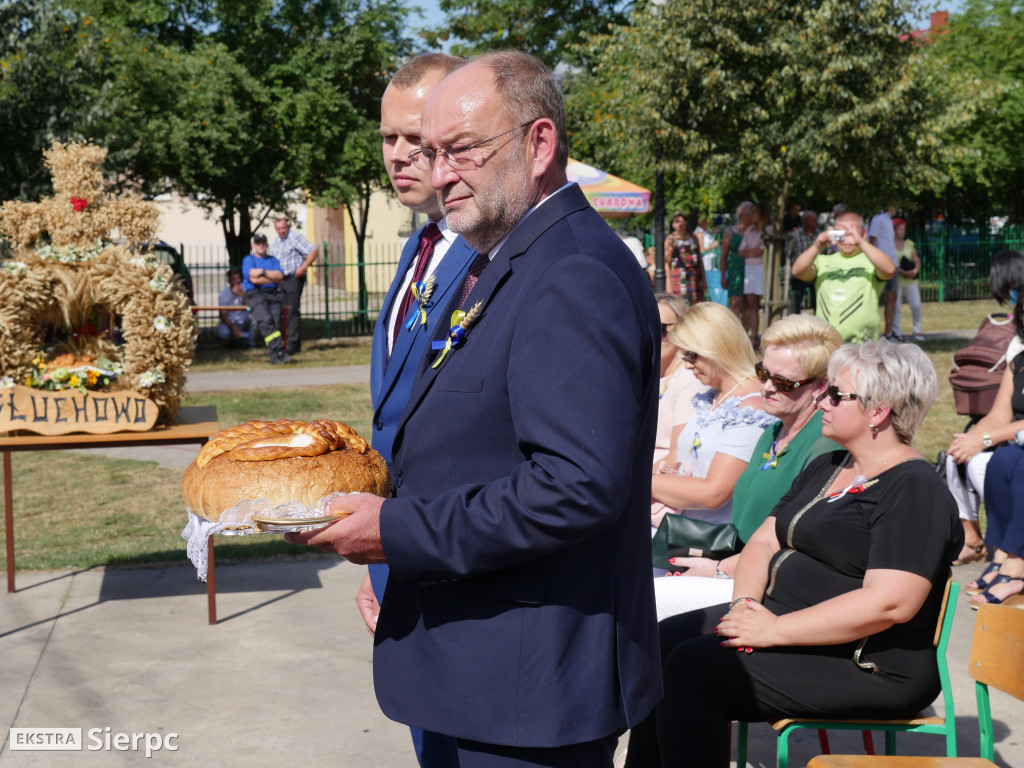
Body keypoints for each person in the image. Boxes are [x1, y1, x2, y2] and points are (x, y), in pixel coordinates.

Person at [287, 50, 662, 767]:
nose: (440, 172)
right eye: (432, 152)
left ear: (540, 143)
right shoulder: (520, 254)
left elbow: (574, 487)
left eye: (462, 150)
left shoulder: (572, 271)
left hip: (528, 681)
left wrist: (395, 532)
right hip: (486, 663)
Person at [625, 340, 962, 767]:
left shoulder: (913, 490)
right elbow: (765, 541)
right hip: (787, 623)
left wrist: (774, 631)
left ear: (878, 412)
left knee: (694, 670)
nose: (824, 400)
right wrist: (744, 605)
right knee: (660, 642)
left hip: (867, 662)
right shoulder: (832, 464)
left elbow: (890, 602)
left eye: (837, 395)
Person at [355, 52, 474, 768]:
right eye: (388, 139)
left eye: (417, 140)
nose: (400, 156)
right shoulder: (419, 244)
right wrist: (379, 568)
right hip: (402, 552)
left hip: (458, 553)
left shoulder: (491, 255)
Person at [653, 314, 841, 620]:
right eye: (762, 372)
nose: (766, 386)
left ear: (821, 385)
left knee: (651, 602)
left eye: (782, 382)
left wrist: (718, 569)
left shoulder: (823, 443)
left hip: (771, 586)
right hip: (735, 566)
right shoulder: (773, 429)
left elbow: (793, 541)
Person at [650, 302, 775, 532]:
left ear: (717, 347)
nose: (686, 365)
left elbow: (713, 493)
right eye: (683, 355)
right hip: (682, 529)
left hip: (713, 540)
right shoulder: (712, 396)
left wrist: (642, 484)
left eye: (692, 355)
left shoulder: (752, 407)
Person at [946, 250, 1024, 568]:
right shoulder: (1017, 350)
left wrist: (988, 439)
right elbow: (998, 412)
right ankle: (974, 540)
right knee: (958, 455)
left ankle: (1008, 553)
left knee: (989, 463)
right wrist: (975, 436)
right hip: (1013, 436)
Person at [792, 211, 896, 342]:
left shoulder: (871, 262)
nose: (847, 239)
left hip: (863, 347)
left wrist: (861, 242)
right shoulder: (823, 261)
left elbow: (889, 269)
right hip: (827, 345)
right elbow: (797, 271)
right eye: (842, 234)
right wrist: (817, 246)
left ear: (863, 234)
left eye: (852, 234)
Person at [653, 293, 707, 466]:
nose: (652, 335)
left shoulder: (689, 378)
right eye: (647, 327)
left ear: (681, 330)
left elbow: (677, 455)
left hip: (660, 476)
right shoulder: (642, 375)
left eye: (660, 329)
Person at [269, 216, 318, 355]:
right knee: (281, 312)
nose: (281, 231)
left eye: (283, 228)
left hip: (293, 279)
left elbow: (313, 251)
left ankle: (293, 344)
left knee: (292, 312)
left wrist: (303, 268)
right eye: (278, 229)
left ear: (288, 227)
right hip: (280, 280)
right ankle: (283, 342)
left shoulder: (295, 237)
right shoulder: (277, 242)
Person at [240, 233, 290, 364]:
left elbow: (280, 277)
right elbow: (253, 279)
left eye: (263, 243)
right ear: (253, 245)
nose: (261, 245)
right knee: (266, 321)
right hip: (255, 295)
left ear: (267, 244)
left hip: (273, 294)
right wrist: (271, 276)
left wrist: (262, 272)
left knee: (274, 323)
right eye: (258, 243)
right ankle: (279, 350)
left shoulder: (273, 260)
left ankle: (275, 356)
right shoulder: (249, 260)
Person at [739, 203, 768, 348]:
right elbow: (741, 251)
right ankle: (754, 336)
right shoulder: (750, 229)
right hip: (749, 270)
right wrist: (753, 252)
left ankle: (767, 336)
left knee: (764, 302)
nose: (752, 214)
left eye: (754, 211)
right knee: (751, 304)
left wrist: (751, 252)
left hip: (762, 269)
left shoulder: (768, 230)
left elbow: (761, 251)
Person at [869, 206, 900, 340]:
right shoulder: (878, 219)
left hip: (893, 261)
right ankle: (873, 331)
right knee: (875, 298)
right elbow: (872, 239)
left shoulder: (888, 220)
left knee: (892, 297)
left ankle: (888, 332)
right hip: (881, 262)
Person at [664, 211, 705, 306]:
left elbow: (700, 260)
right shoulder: (671, 239)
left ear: (686, 222)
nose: (680, 224)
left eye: (681, 221)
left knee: (696, 306)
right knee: (681, 306)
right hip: (678, 278)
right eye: (676, 222)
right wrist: (668, 285)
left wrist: (704, 280)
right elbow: (666, 262)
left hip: (694, 277)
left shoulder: (693, 237)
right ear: (673, 224)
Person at [720, 202, 753, 320]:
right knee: (735, 302)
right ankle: (734, 331)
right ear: (742, 215)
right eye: (750, 213)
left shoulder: (755, 231)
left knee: (749, 303)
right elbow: (723, 255)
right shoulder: (731, 231)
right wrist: (723, 275)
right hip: (735, 269)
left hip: (751, 269)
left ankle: (745, 333)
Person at [893, 217, 923, 341]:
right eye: (900, 229)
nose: (902, 232)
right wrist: (902, 272)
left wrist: (915, 270)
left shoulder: (909, 244)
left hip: (911, 281)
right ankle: (897, 332)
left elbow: (916, 258)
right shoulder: (889, 245)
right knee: (897, 307)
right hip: (897, 281)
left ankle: (917, 331)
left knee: (916, 305)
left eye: (904, 230)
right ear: (894, 230)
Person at [785, 210, 819, 314]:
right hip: (799, 275)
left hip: (817, 273)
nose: (816, 222)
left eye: (816, 220)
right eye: (813, 220)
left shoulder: (820, 235)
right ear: (805, 222)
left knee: (818, 303)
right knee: (795, 303)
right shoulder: (794, 235)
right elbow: (787, 253)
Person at [216, 267, 252, 347]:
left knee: (255, 320)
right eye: (233, 279)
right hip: (231, 322)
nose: (237, 281)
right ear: (229, 280)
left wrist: (242, 295)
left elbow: (250, 309)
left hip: (245, 321)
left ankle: (249, 341)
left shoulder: (247, 289)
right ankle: (234, 340)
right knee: (223, 333)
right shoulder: (223, 294)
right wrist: (233, 327)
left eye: (238, 278)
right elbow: (223, 315)